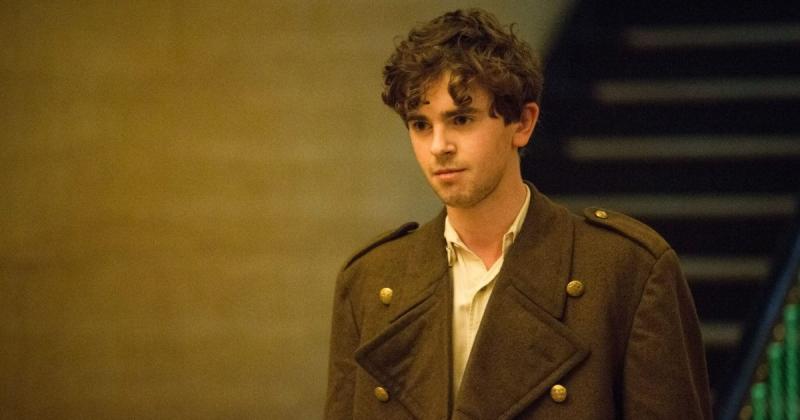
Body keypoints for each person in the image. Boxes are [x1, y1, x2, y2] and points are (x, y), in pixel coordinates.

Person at [325, 8, 711, 419]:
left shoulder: (626, 270)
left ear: (523, 123)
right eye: (421, 125)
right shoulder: (371, 280)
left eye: (461, 119)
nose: (439, 146)